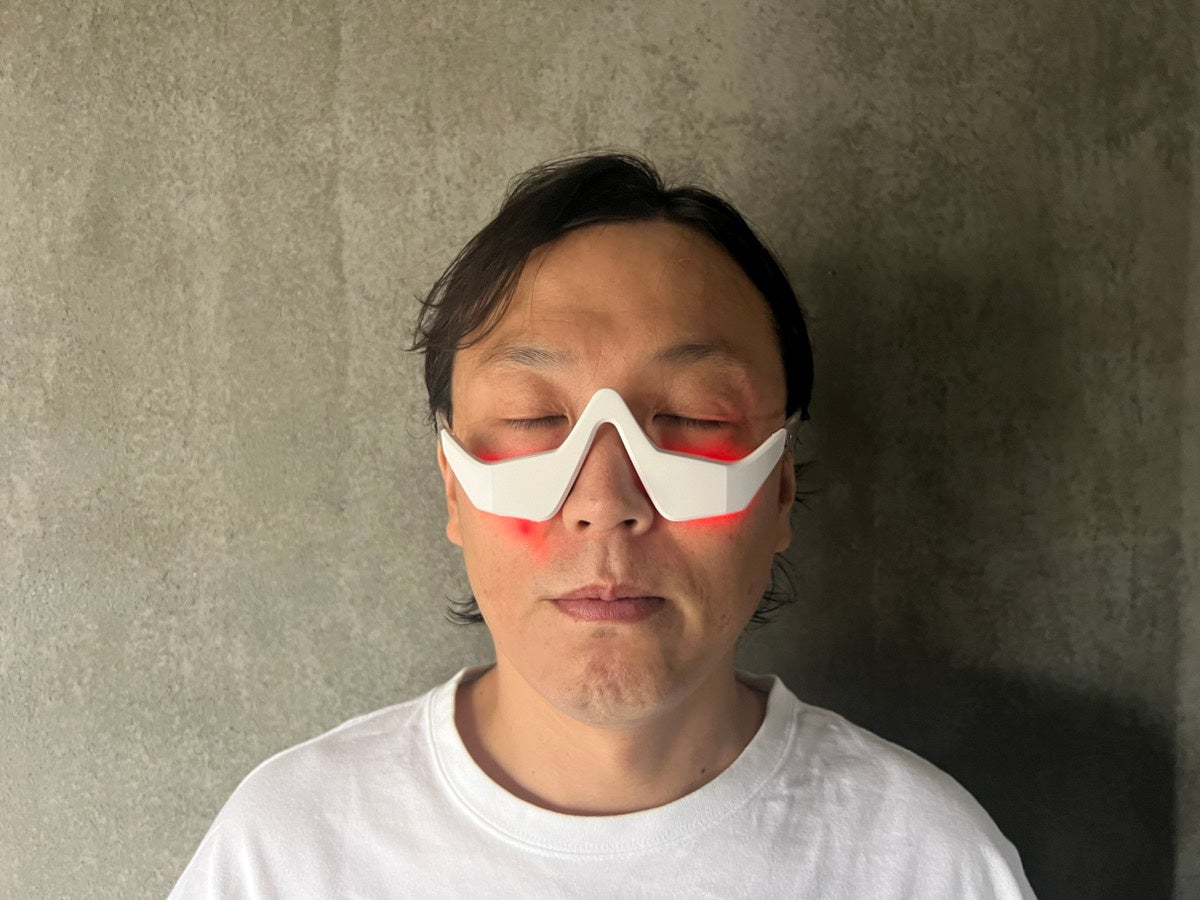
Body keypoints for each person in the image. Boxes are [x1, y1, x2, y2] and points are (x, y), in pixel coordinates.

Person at [169, 153, 1036, 898]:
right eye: (535, 418)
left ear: (780, 491)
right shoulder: (287, 854)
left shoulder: (927, 865)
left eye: (693, 417)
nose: (607, 497)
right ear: (454, 491)